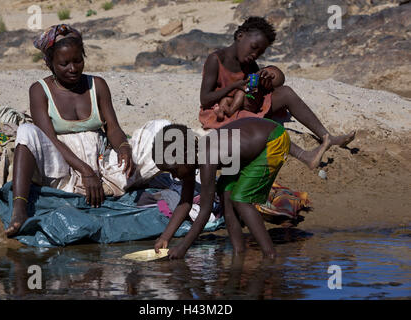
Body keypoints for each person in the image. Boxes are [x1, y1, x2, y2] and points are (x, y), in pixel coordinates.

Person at [5, 24, 135, 237]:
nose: (73, 68)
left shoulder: (98, 85)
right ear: (49, 64)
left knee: (159, 129)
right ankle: (19, 211)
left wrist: (124, 147)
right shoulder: (39, 90)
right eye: (64, 64)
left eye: (78, 61)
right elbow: (48, 137)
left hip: (102, 166)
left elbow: (113, 127)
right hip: (64, 169)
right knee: (26, 131)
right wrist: (85, 171)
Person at [199, 16, 355, 169]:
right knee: (255, 120)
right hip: (221, 112)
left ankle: (327, 136)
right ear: (240, 36)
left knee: (286, 93)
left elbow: (253, 92)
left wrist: (264, 82)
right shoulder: (216, 59)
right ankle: (304, 156)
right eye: (254, 47)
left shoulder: (250, 64)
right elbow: (205, 99)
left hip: (243, 107)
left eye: (260, 53)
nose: (255, 55)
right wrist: (233, 88)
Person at [152, 117, 315, 259]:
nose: (175, 176)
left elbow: (205, 211)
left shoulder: (207, 159)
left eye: (174, 170)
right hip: (247, 147)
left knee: (240, 198)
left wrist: (182, 248)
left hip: (272, 140)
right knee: (224, 191)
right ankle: (239, 251)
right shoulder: (190, 161)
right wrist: (165, 237)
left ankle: (269, 253)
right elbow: (185, 202)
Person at [214, 66, 284, 120]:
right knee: (225, 99)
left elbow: (251, 88)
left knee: (240, 93)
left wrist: (257, 75)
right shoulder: (255, 77)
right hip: (240, 102)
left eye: (270, 82)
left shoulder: (262, 89)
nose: (267, 77)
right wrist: (258, 74)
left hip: (250, 104)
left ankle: (230, 111)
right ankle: (221, 112)